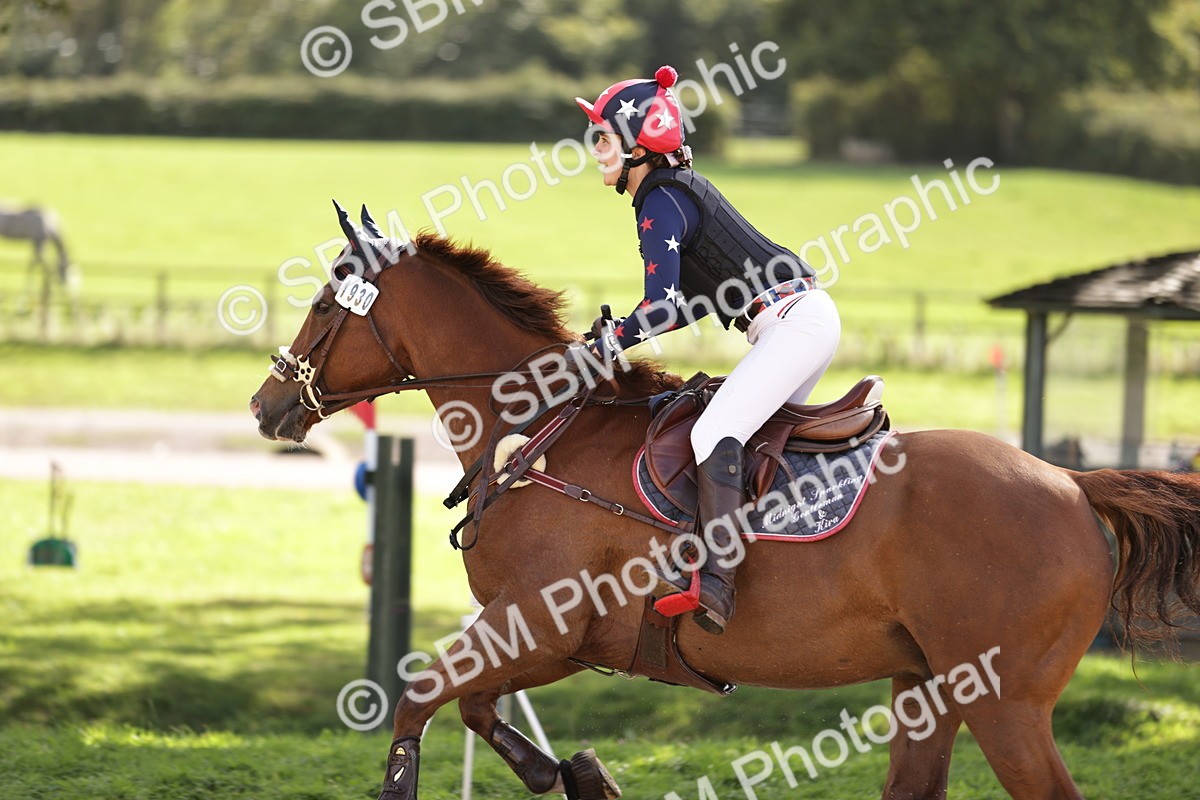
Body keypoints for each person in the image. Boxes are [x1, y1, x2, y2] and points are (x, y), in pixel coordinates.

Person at [575, 66, 841, 635]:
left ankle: (716, 582)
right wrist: (616, 335)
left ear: (637, 144)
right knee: (748, 441)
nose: (595, 150)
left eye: (604, 137)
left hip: (793, 324)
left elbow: (662, 307)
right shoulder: (672, 193)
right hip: (796, 320)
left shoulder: (660, 200)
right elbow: (688, 306)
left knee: (712, 432)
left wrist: (607, 344)